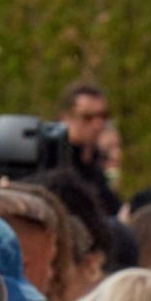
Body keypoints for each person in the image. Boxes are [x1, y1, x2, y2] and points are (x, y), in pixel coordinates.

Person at [57, 81, 121, 216]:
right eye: (87, 117)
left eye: (103, 116)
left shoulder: (97, 163)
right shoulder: (56, 162)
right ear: (65, 119)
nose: (98, 124)